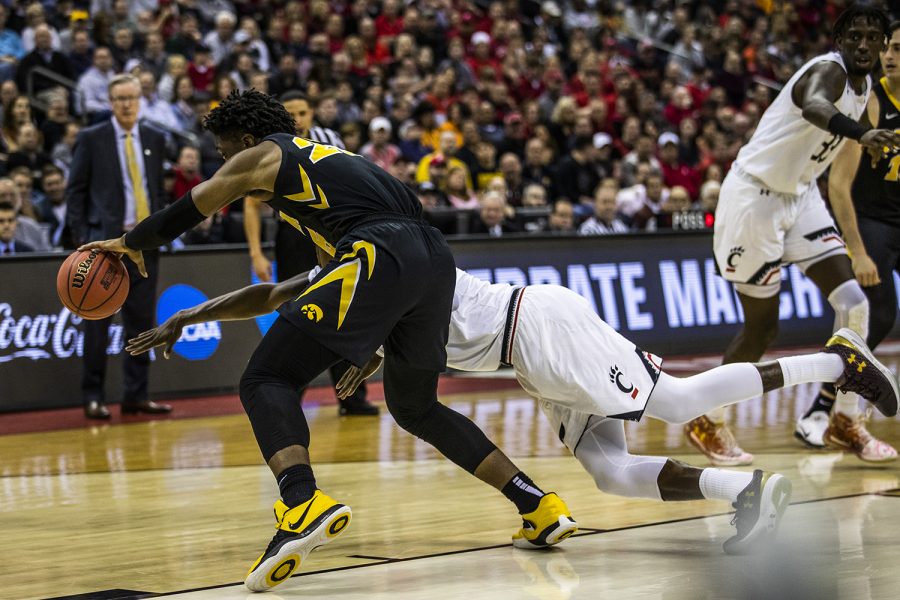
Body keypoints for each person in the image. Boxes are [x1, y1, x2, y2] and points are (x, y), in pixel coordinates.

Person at [81, 90, 578, 592]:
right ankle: (537, 504)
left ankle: (301, 503)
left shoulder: (269, 153)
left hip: (381, 251)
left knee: (266, 377)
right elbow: (284, 290)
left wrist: (131, 243)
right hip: (431, 258)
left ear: (248, 141)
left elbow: (195, 204)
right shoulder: (334, 174)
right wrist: (193, 312)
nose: (223, 163)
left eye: (224, 152)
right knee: (415, 407)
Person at [125, 267, 899, 556]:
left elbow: (381, 352)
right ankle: (747, 495)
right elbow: (271, 295)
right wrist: (188, 319)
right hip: (530, 362)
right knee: (610, 472)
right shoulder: (338, 282)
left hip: (539, 328)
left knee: (681, 398)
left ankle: (838, 360)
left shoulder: (381, 266)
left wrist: (358, 366)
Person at [684, 5, 900, 466]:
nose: (863, 45)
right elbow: (816, 107)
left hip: (800, 196)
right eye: (854, 36)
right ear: (839, 39)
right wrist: (861, 135)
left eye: (872, 38)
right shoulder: (828, 71)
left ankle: (844, 420)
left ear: (883, 45)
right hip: (754, 201)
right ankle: (705, 417)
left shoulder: (865, 86)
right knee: (763, 327)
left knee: (854, 304)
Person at [243, 90, 379, 416]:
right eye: (291, 114)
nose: (298, 120)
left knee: (342, 308)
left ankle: (352, 395)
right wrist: (256, 253)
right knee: (296, 312)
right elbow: (251, 203)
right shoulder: (270, 147)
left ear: (312, 112)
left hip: (332, 232)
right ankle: (291, 393)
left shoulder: (328, 138)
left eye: (303, 112)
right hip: (292, 236)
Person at [808, 19, 900, 461]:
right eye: (892, 47)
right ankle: (827, 405)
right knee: (878, 312)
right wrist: (858, 250)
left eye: (899, 48)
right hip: (870, 220)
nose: (892, 55)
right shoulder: (870, 101)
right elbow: (839, 185)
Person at [65, 74, 172, 420]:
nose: (126, 104)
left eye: (132, 97)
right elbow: (75, 191)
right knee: (96, 325)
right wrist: (83, 239)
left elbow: (157, 190)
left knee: (142, 324)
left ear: (141, 100)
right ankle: (93, 395)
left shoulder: (155, 137)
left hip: (144, 244)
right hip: (104, 246)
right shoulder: (91, 138)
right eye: (120, 98)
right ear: (110, 103)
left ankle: (136, 395)